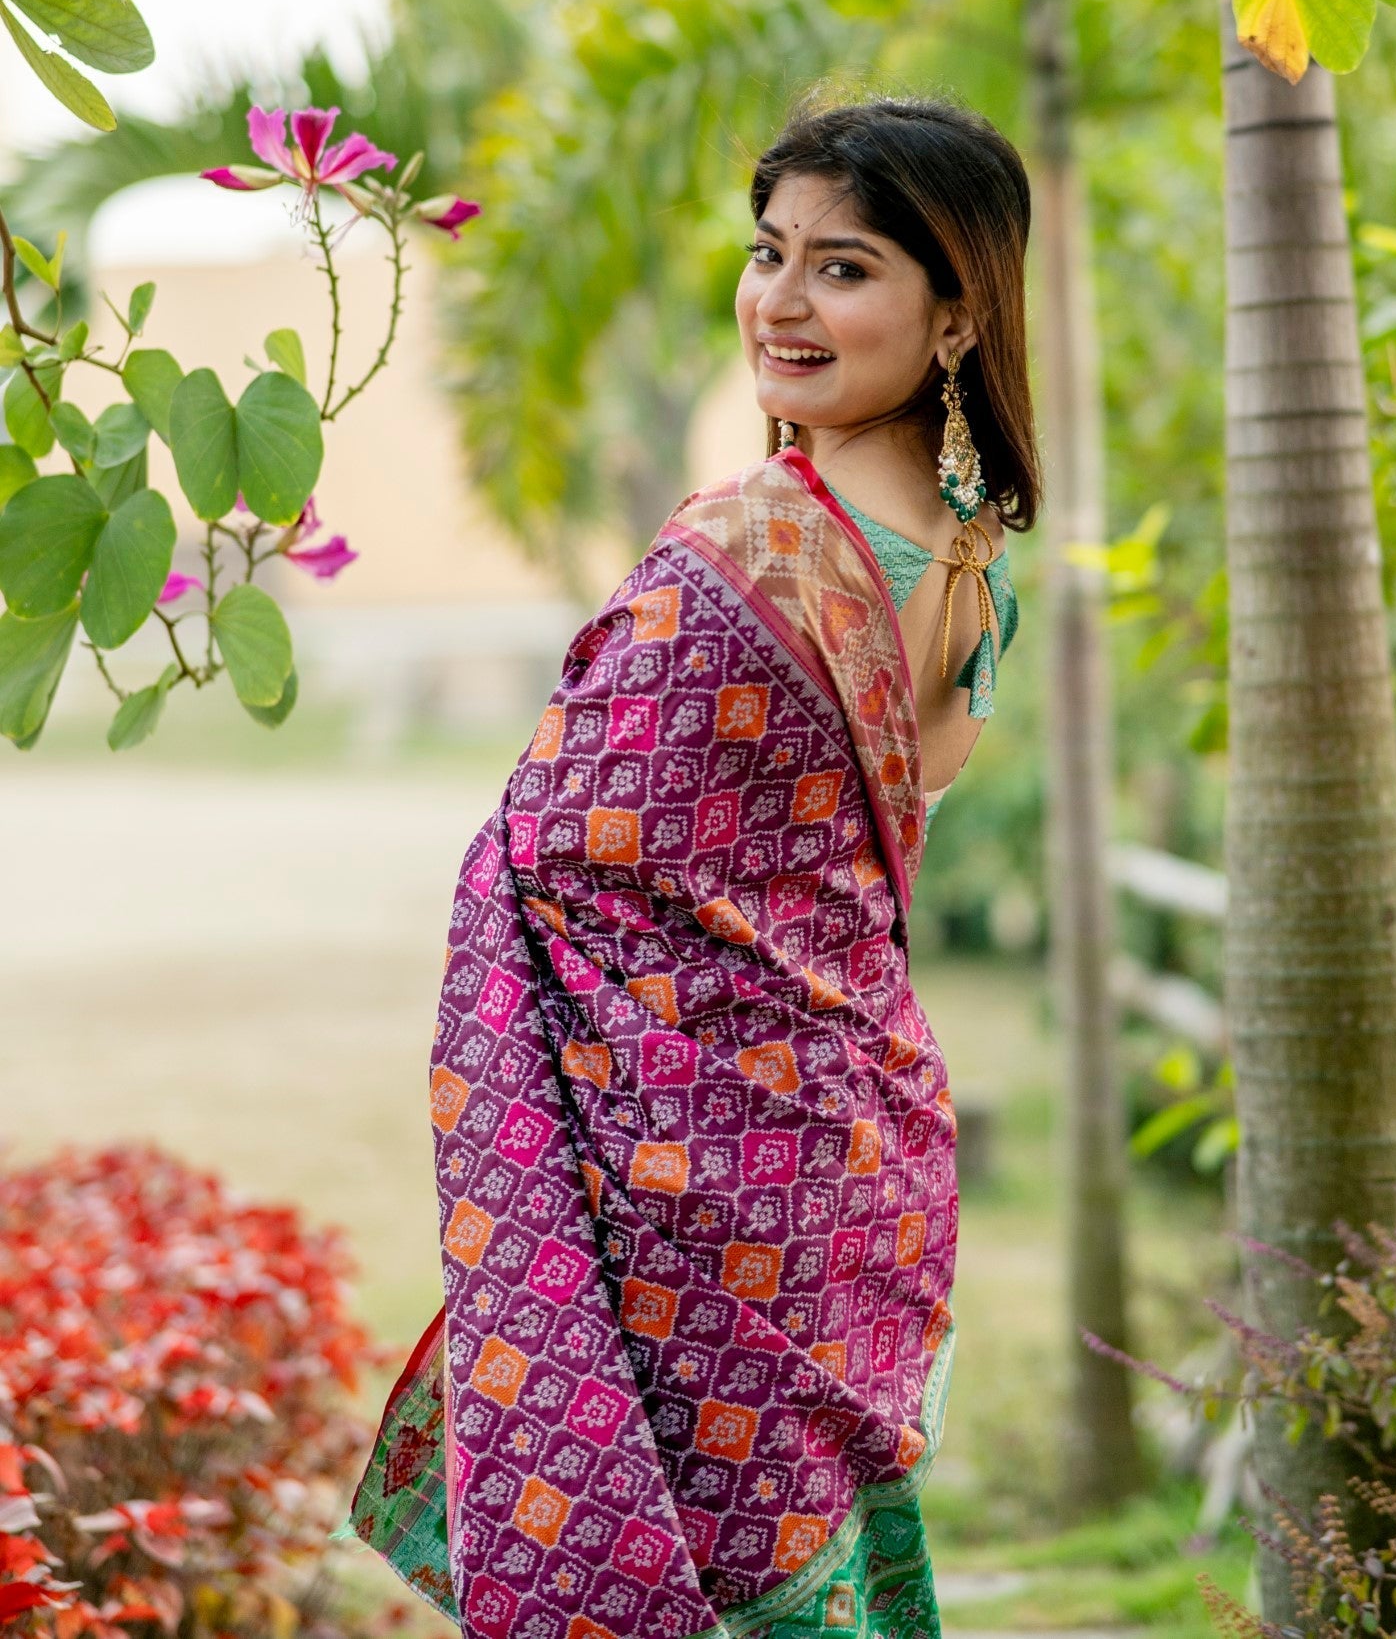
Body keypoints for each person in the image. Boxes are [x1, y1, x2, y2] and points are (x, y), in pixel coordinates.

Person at [349, 96, 1041, 1639]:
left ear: (955, 314)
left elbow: (545, 866)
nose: (781, 303)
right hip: (856, 1169)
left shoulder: (750, 549)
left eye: (843, 268)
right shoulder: (983, 560)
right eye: (768, 252)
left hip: (701, 1200)